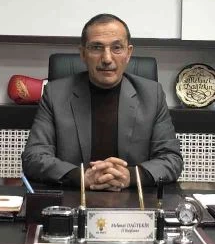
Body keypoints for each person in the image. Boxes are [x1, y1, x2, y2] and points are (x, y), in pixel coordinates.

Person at [22, 14, 183, 190]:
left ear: (128, 53)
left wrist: (130, 176)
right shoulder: (55, 94)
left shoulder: (152, 95)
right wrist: (81, 177)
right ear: (83, 54)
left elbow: (171, 159)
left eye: (117, 48)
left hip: (134, 199)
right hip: (73, 197)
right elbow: (33, 157)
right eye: (97, 48)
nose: (107, 59)